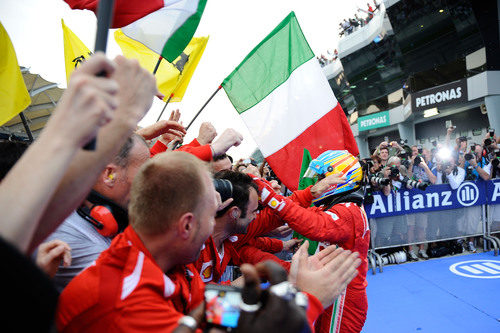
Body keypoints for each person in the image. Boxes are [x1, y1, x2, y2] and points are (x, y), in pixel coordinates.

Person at [57, 151, 361, 332]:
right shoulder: (126, 298)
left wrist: (291, 292)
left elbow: (216, 310)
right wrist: (309, 302)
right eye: (210, 215)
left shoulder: (168, 267)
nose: (216, 228)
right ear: (188, 224)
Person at [250, 150, 370, 333]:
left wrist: (267, 194)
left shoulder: (348, 212)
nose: (318, 182)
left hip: (343, 298)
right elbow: (298, 213)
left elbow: (312, 225)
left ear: (341, 177)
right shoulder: (339, 207)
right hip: (333, 290)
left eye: (322, 177)